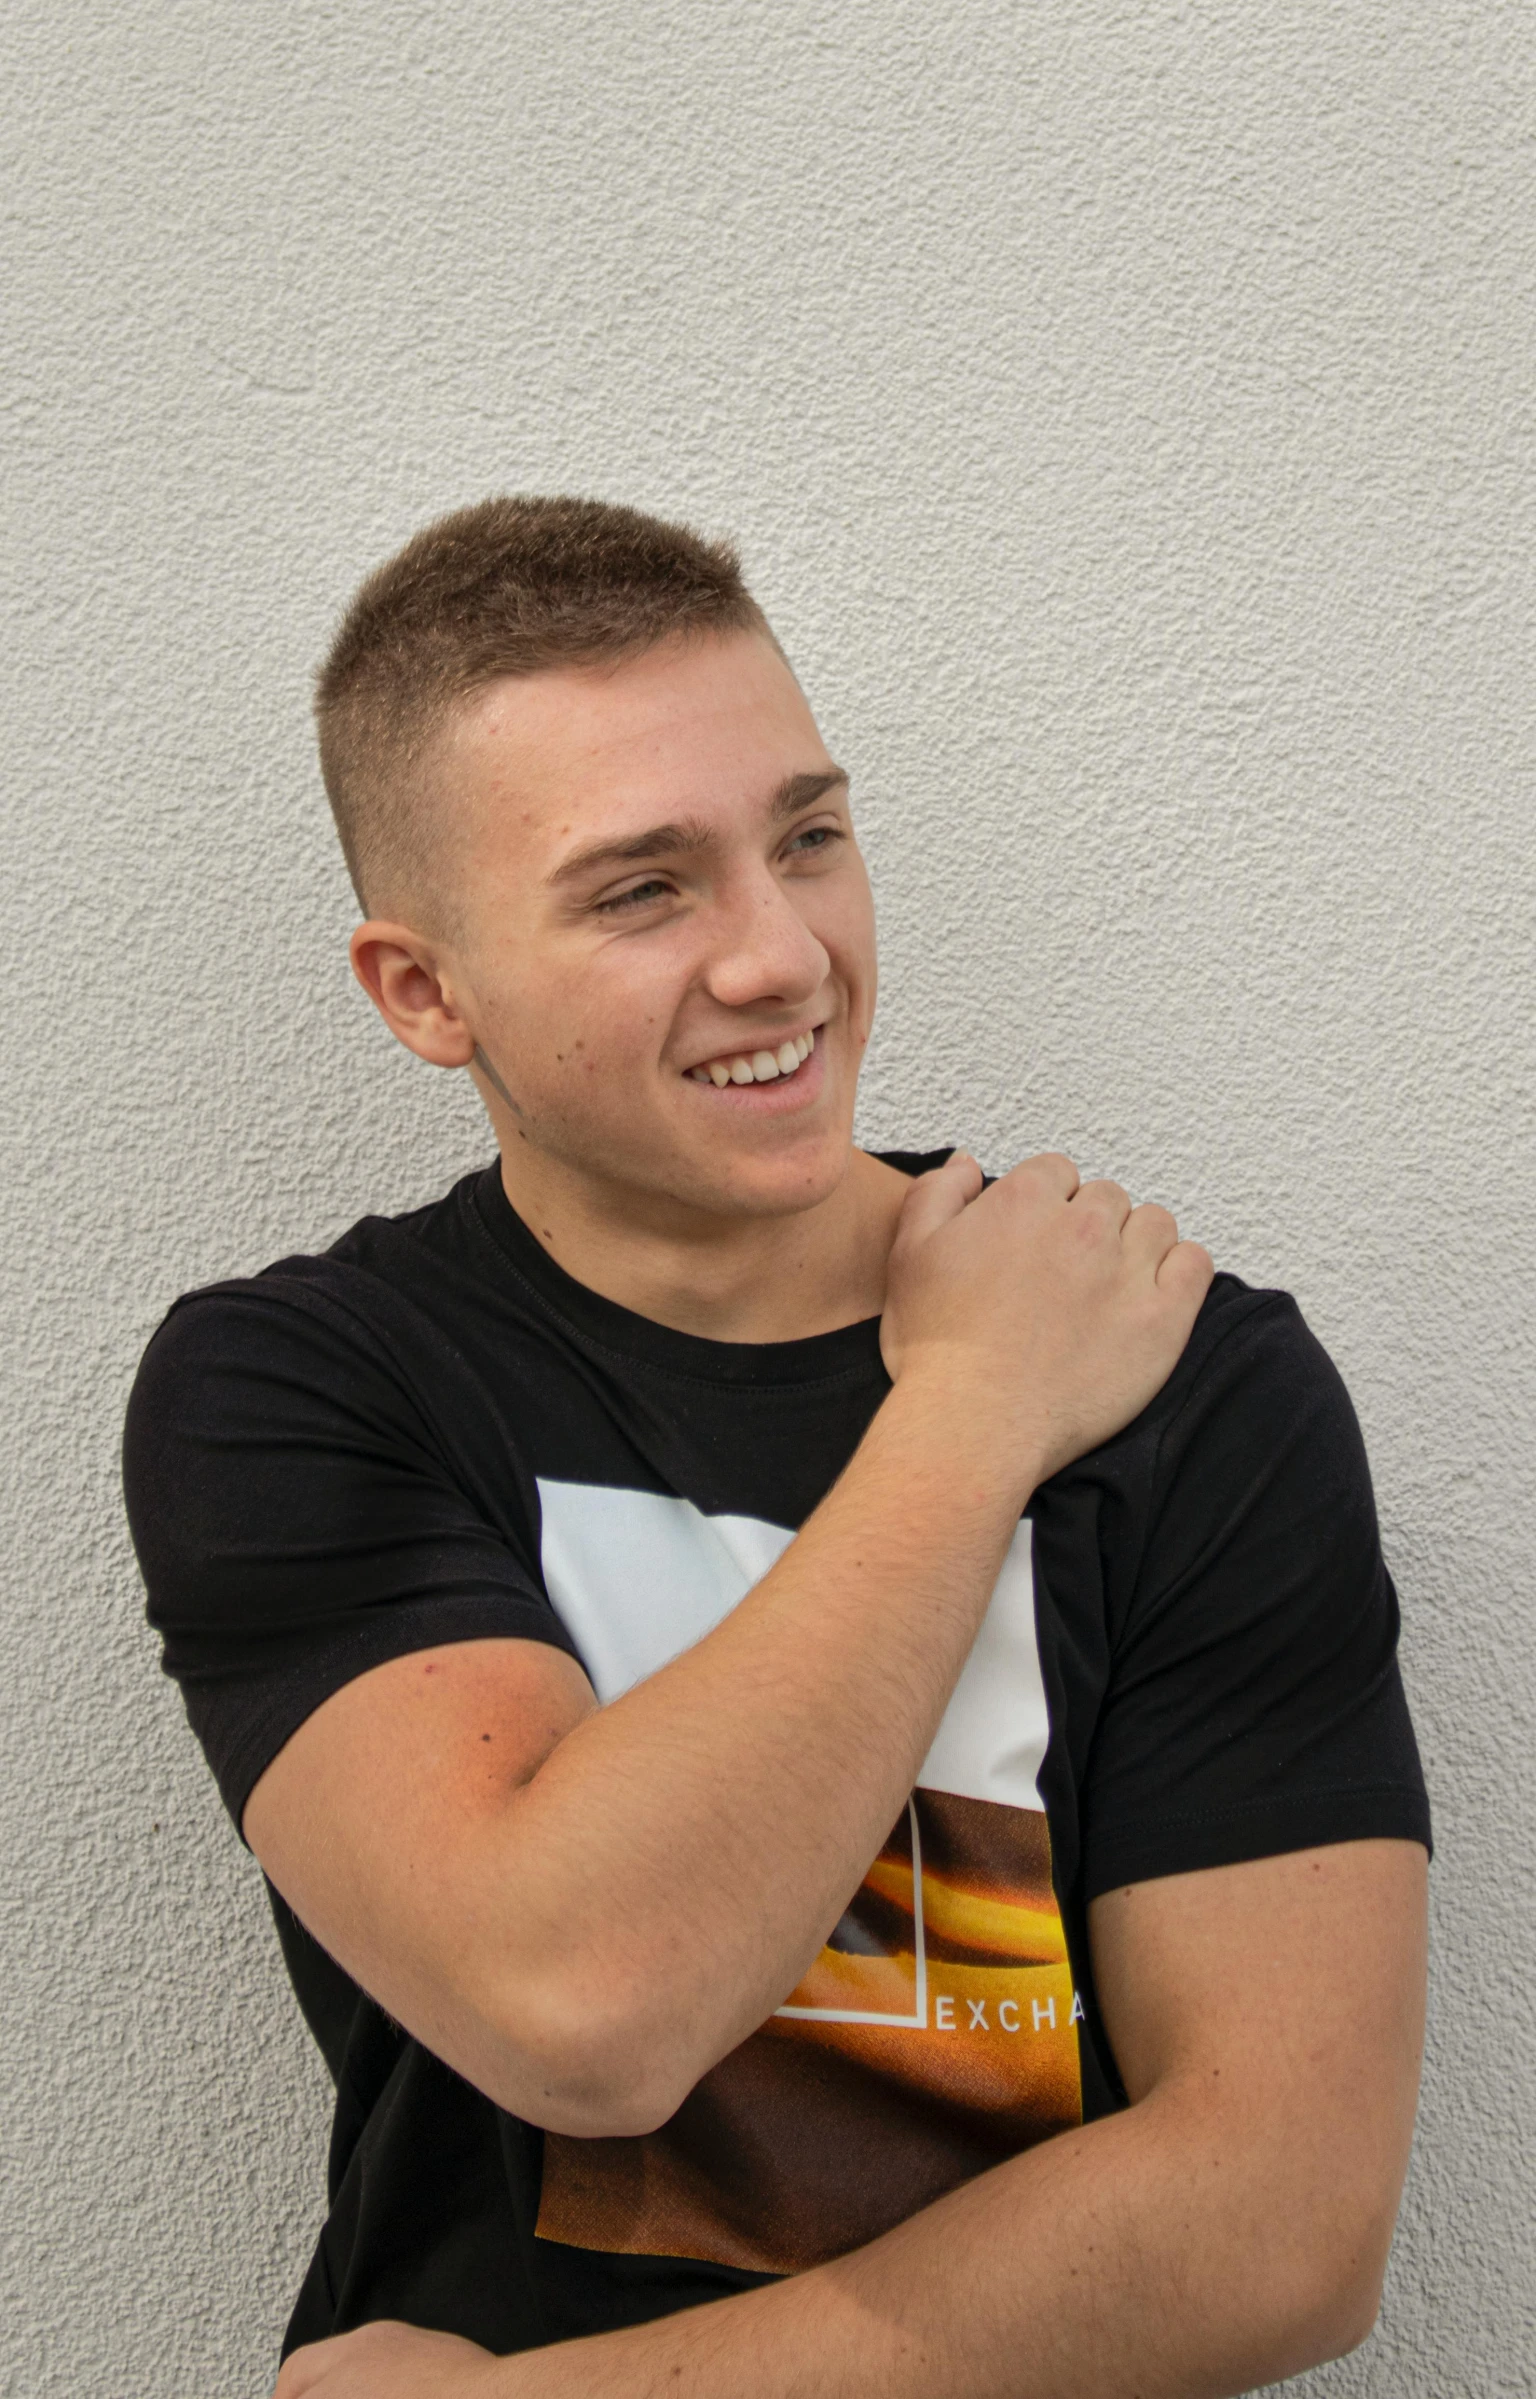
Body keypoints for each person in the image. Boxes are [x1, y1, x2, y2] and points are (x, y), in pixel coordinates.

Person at [123, 496, 1430, 2399]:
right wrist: (971, 1420)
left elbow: (1286, 2223)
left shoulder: (1184, 1377)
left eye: (807, 836)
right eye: (644, 889)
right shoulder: (307, 1388)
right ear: (426, 990)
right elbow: (586, 2004)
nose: (782, 957)